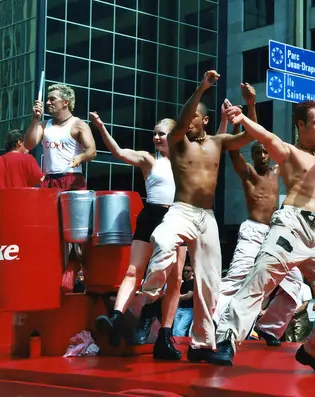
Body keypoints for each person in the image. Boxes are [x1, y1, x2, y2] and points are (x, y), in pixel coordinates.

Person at [214, 58, 315, 374]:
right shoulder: (290, 153)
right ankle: (226, 340)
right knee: (261, 278)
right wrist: (243, 118)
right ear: (300, 126)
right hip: (291, 223)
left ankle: (314, 351)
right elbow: (267, 138)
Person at [139, 70, 252, 363]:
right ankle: (150, 291)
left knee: (208, 283)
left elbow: (249, 136)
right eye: (184, 119)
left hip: (207, 217)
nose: (187, 122)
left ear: (205, 121)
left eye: (194, 119)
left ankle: (201, 346)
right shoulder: (179, 143)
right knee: (162, 239)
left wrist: (251, 105)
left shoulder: (218, 142)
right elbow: (185, 112)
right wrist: (201, 88)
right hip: (182, 210)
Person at [89, 112, 187, 360]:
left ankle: (164, 335)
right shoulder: (148, 159)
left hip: (178, 217)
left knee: (175, 280)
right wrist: (101, 127)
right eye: (154, 133)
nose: (155, 137)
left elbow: (215, 145)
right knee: (134, 270)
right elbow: (119, 153)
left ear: (174, 136)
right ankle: (116, 317)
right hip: (151, 215)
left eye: (161, 133)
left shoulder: (187, 160)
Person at [214, 83, 304, 347]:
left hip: (275, 232)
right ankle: (215, 325)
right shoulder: (249, 173)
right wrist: (236, 122)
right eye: (258, 152)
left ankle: (269, 327)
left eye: (265, 151)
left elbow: (264, 135)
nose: (263, 154)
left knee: (295, 283)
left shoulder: (277, 172)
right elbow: (232, 148)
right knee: (234, 281)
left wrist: (251, 104)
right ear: (252, 156)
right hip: (253, 231)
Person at [24, 84, 96, 190]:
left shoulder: (79, 125)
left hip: (72, 178)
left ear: (65, 102)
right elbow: (28, 145)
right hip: (49, 179)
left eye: (52, 99)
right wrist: (35, 119)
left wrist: (81, 157)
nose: (48, 103)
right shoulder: (43, 125)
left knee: (71, 207)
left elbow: (92, 151)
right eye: (47, 99)